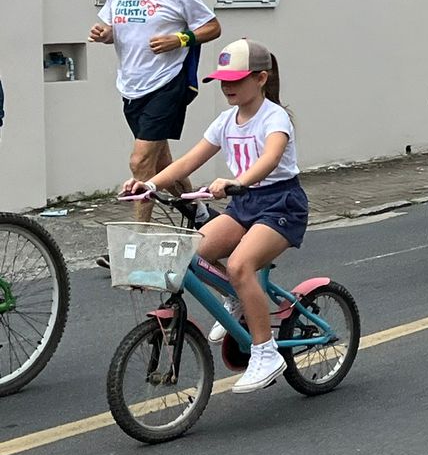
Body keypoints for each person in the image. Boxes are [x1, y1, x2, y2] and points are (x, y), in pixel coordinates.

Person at [120, 38, 306, 395]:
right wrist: (147, 185)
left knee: (239, 265)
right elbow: (187, 162)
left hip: (280, 204)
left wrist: (237, 180)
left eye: (236, 80)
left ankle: (266, 354)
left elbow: (269, 159)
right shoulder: (225, 121)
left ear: (261, 78)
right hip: (243, 206)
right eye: (223, 80)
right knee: (188, 253)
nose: (227, 87)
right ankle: (238, 297)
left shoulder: (275, 117)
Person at [89, 0, 222, 234]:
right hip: (132, 86)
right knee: (162, 164)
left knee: (140, 163)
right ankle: (200, 212)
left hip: (167, 84)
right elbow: (112, 28)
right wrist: (104, 34)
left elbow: (213, 27)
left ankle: (138, 243)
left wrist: (181, 38)